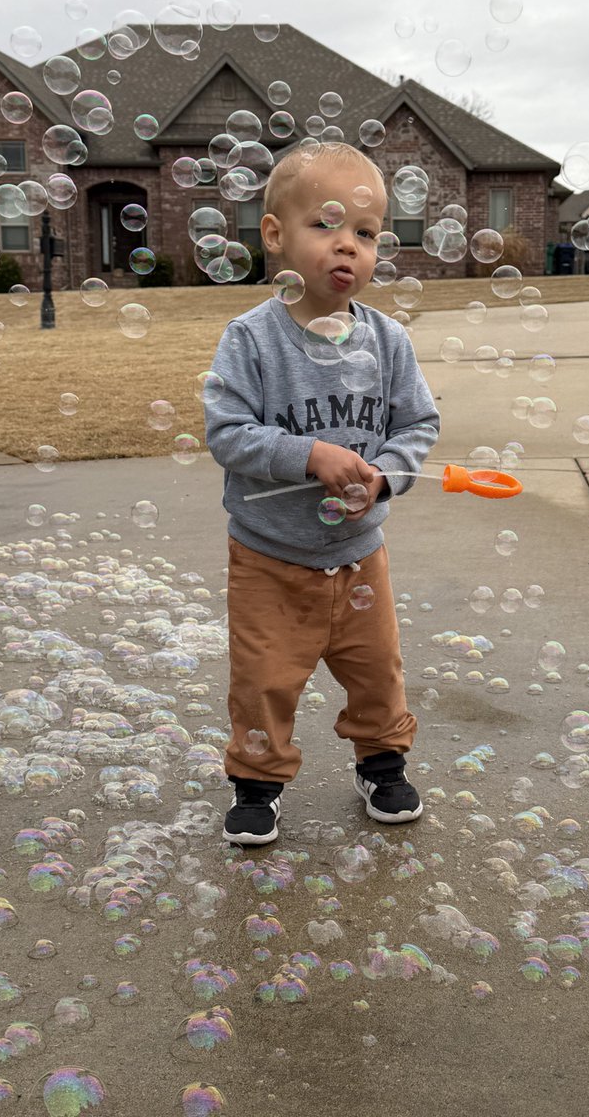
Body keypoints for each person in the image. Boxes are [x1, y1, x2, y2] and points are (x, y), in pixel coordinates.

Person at [204, 142, 441, 846]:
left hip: (360, 553)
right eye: (326, 225)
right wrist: (309, 455)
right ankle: (257, 781)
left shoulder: (388, 341)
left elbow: (418, 423)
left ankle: (382, 762)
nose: (348, 246)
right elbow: (228, 433)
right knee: (263, 678)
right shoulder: (252, 339)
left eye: (365, 233)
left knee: (377, 671)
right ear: (275, 235)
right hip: (269, 558)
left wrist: (387, 473)